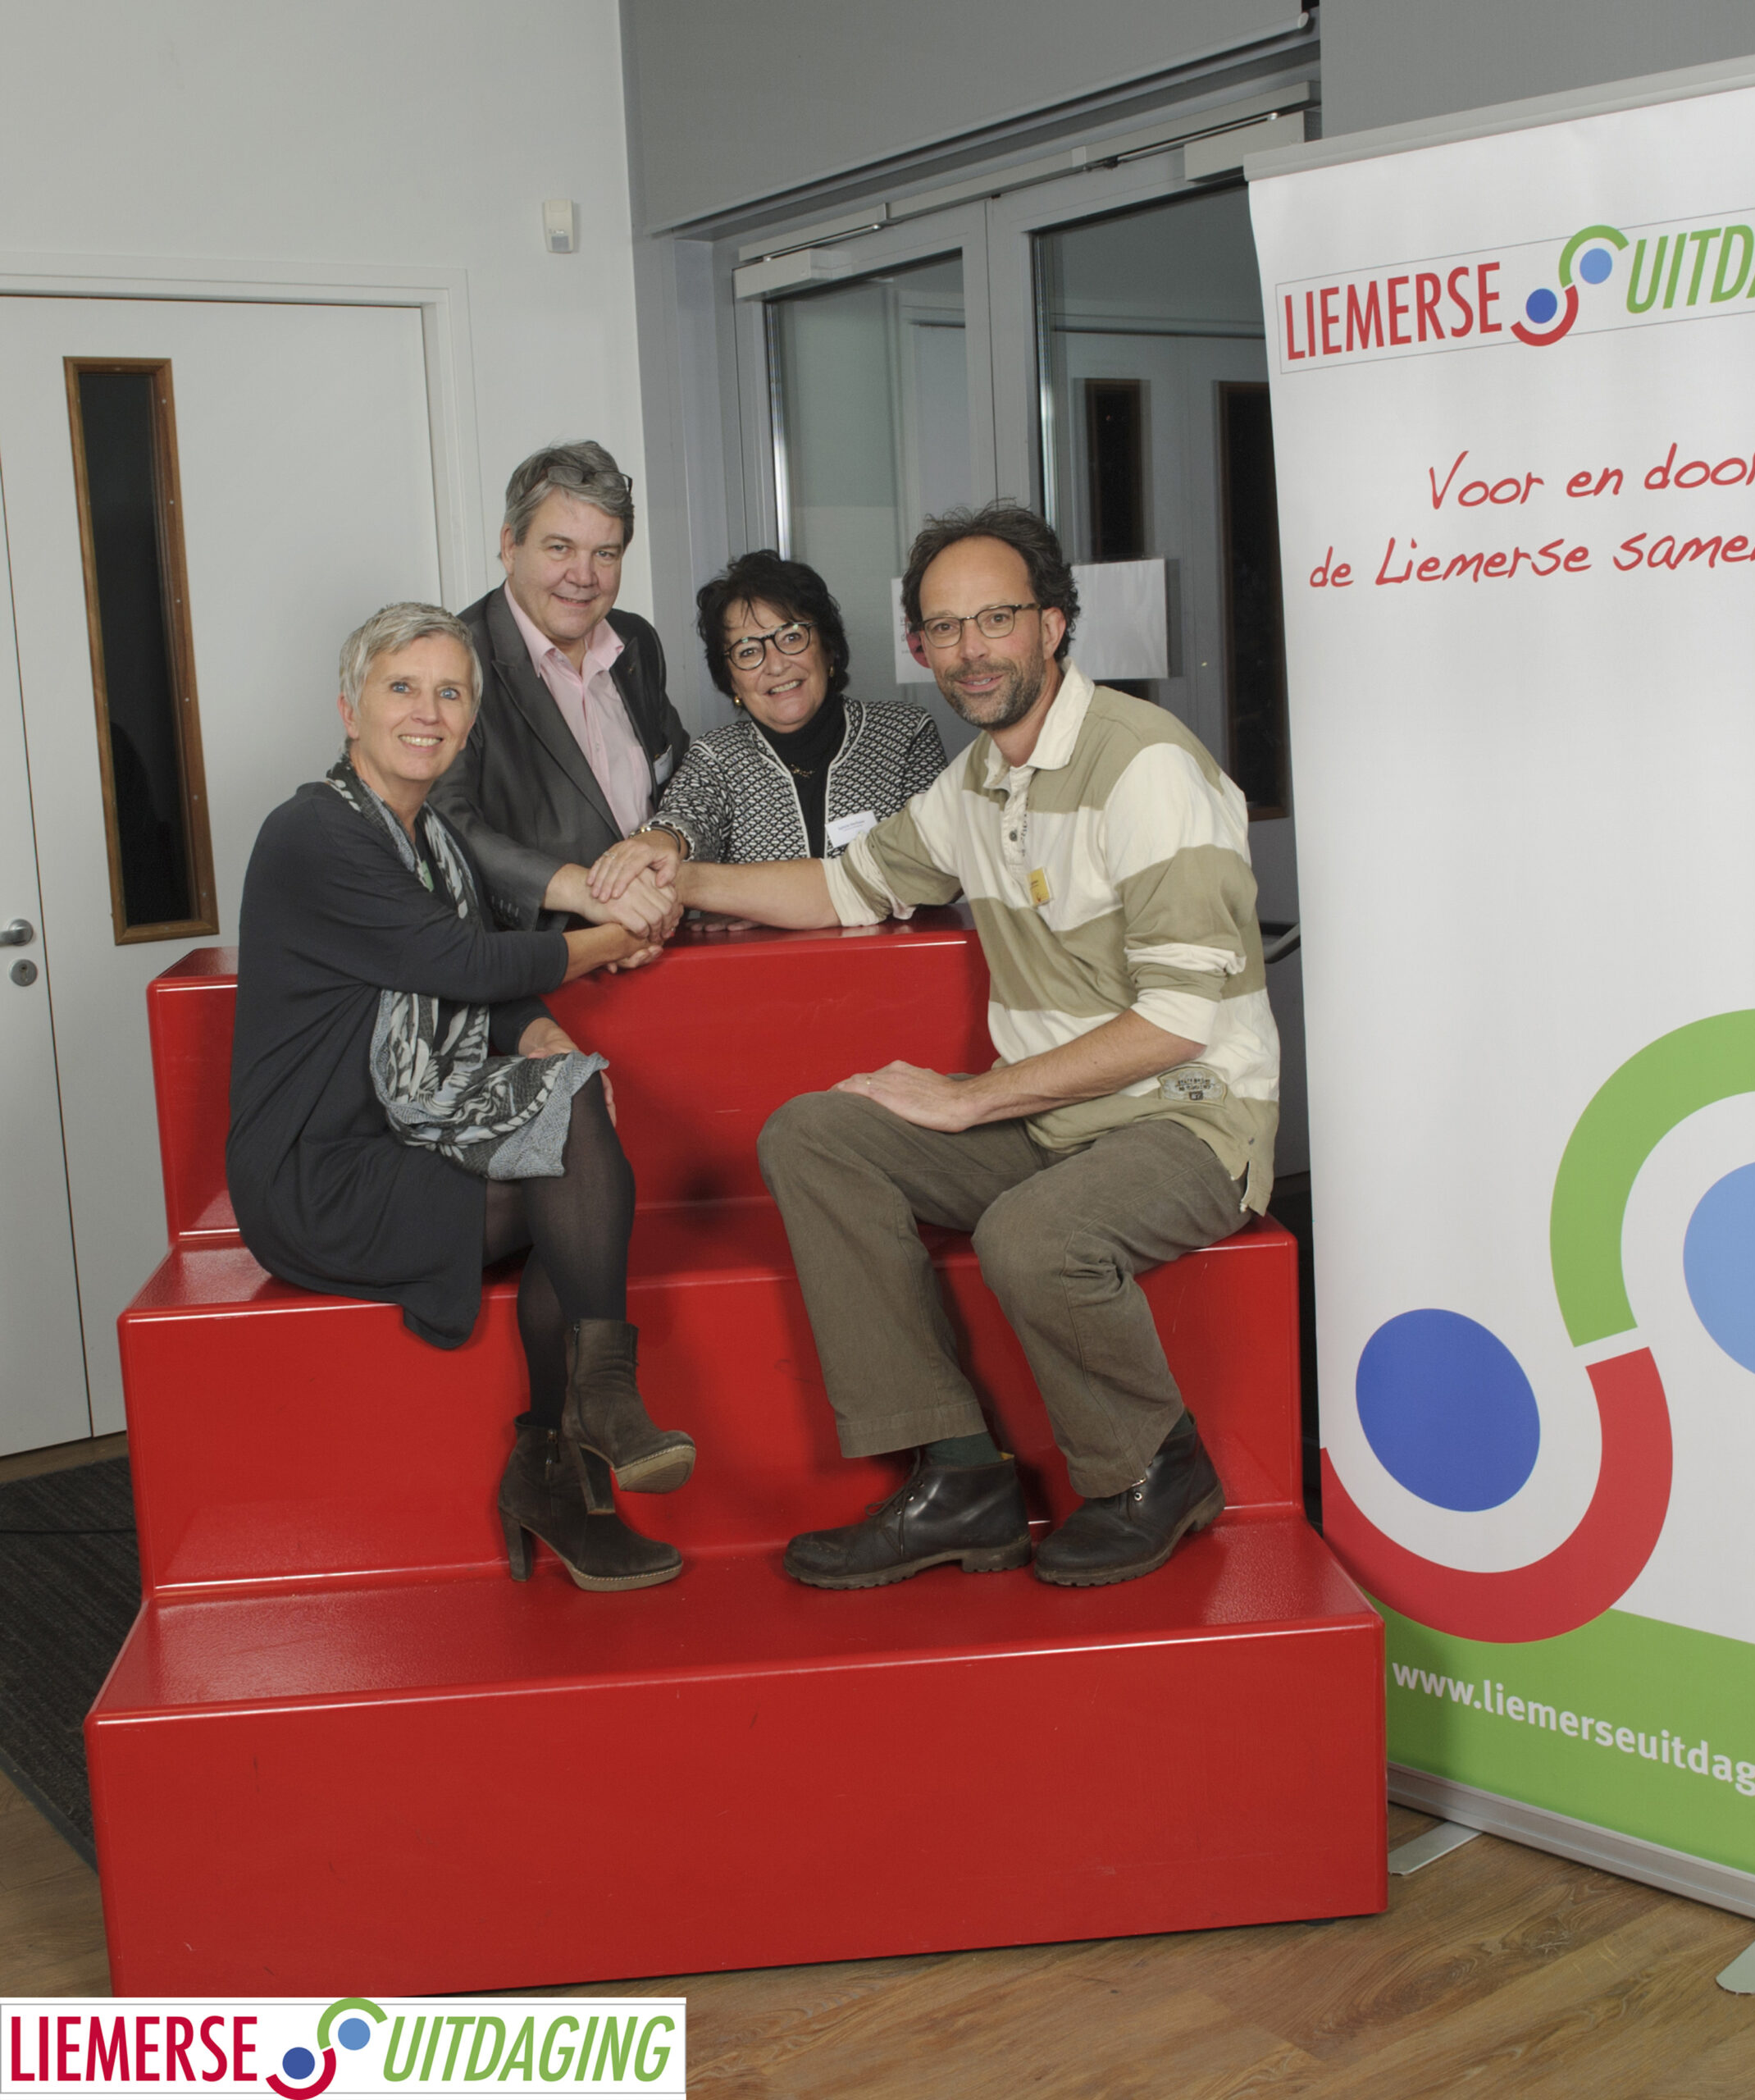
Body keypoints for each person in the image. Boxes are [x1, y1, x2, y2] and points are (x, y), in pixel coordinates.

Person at [590, 504, 1280, 1589]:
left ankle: (1158, 1466)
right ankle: (959, 1475)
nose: (970, 650)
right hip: (1054, 1116)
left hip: (1186, 1117)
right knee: (815, 1136)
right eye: (944, 629)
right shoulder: (976, 784)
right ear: (919, 646)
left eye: (996, 619)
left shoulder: (1145, 767)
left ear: (1053, 624)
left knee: (1028, 1237)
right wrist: (677, 876)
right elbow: (844, 886)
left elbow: (1177, 1021)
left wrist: (971, 1099)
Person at [227, 603, 695, 1594]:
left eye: (450, 693)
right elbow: (459, 962)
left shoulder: (431, 836)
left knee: (575, 1128)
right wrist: (623, 932)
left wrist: (546, 1036)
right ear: (349, 709)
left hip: (403, 1141)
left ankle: (572, 1436)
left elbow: (486, 979)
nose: (428, 713)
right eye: (402, 687)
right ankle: (574, 1441)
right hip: (318, 1174)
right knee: (575, 1158)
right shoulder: (314, 832)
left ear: (469, 718)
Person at [428, 441, 684, 955]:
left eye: (605, 554)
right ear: (510, 546)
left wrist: (674, 866)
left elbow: (678, 779)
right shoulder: (452, 659)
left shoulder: (636, 641)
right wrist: (588, 896)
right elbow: (443, 824)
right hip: (537, 968)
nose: (584, 577)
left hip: (659, 946)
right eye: (560, 548)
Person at [627, 550, 946, 870]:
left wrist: (749, 893)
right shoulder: (716, 757)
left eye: (791, 637)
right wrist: (660, 840)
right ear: (732, 680)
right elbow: (686, 816)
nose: (776, 666)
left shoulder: (904, 734)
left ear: (828, 647)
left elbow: (933, 863)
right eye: (748, 651)